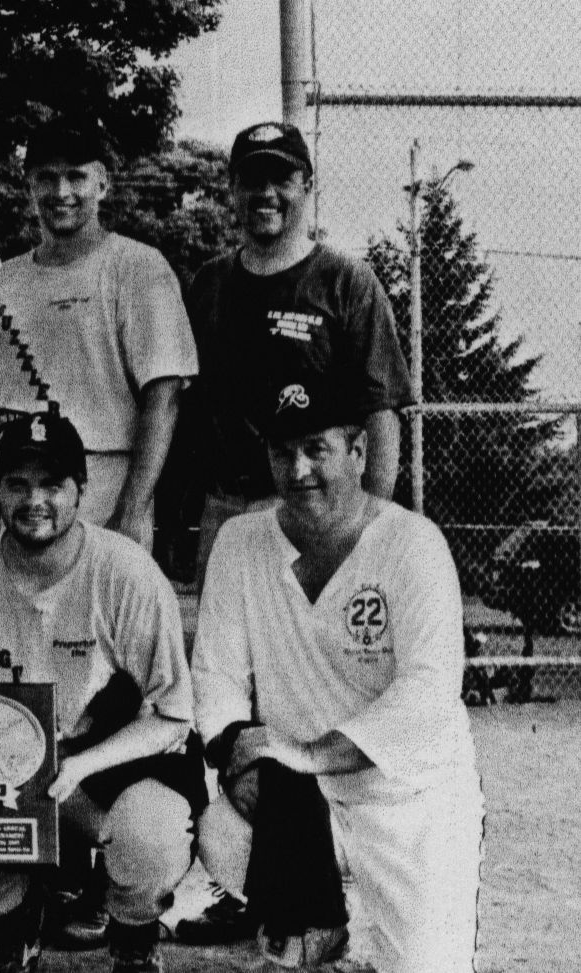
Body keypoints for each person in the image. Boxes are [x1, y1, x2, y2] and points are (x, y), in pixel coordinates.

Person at [0, 412, 200, 973]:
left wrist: (83, 766)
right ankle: (19, 915)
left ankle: (132, 925)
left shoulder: (126, 571)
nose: (36, 499)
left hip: (109, 765)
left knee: (151, 834)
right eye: (18, 483)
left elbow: (172, 715)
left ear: (82, 489)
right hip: (8, 765)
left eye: (53, 484)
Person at [191, 378, 483, 973]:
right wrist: (235, 756)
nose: (297, 470)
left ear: (358, 450)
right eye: (280, 451)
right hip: (305, 802)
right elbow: (215, 676)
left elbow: (425, 698)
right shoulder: (240, 543)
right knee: (222, 833)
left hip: (410, 801)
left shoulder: (412, 545)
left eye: (315, 449)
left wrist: (303, 753)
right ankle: (317, 931)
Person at [0, 117, 197, 563]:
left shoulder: (138, 268)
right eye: (47, 178)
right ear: (29, 185)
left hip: (105, 479)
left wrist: (131, 510)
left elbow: (164, 395)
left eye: (76, 177)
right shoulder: (3, 282)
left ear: (102, 183)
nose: (62, 193)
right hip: (22, 488)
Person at [187, 122, 411, 582]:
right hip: (226, 510)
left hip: (317, 504)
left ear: (308, 186)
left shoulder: (346, 281)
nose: (265, 193)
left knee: (315, 648)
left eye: (282, 179)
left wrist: (366, 528)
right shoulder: (210, 284)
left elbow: (382, 415)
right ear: (232, 189)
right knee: (227, 650)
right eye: (252, 180)